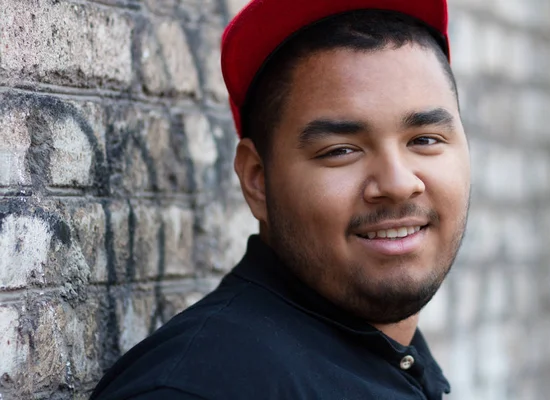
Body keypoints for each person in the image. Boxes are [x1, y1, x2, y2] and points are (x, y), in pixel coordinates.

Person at [91, 0, 470, 398]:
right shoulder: (194, 389)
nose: (397, 183)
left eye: (425, 140)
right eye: (340, 150)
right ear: (257, 180)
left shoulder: (394, 363)